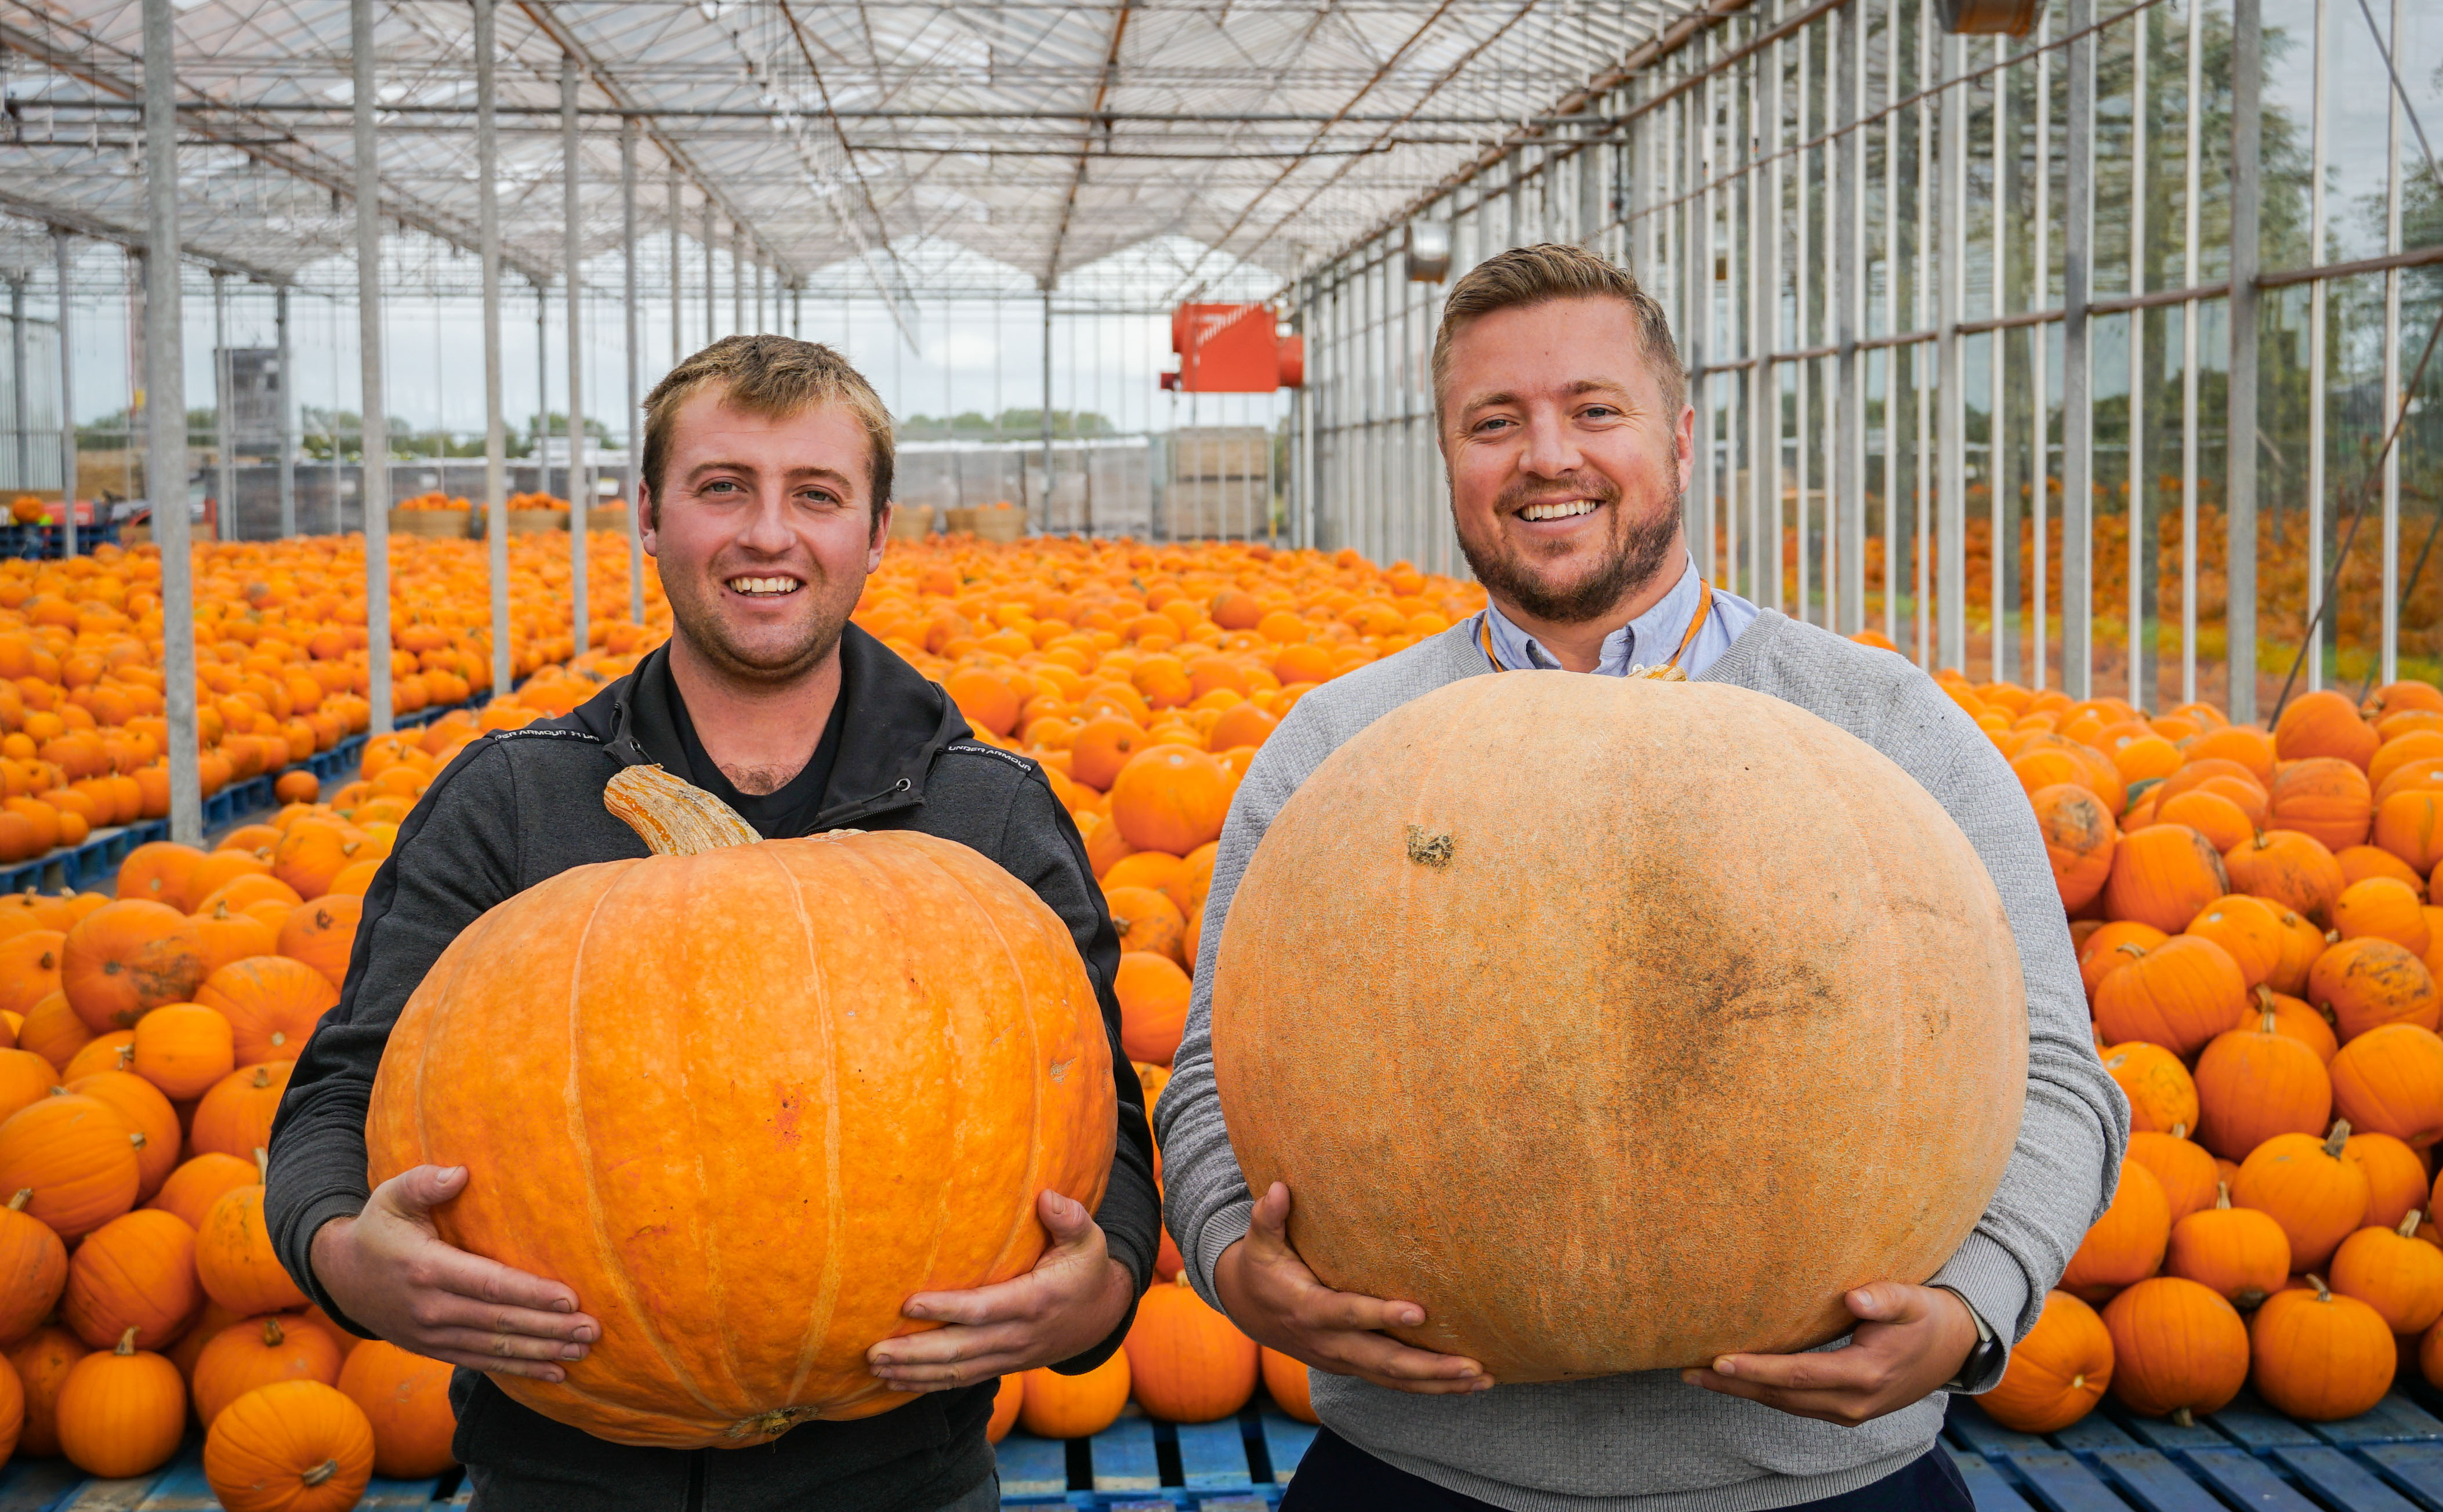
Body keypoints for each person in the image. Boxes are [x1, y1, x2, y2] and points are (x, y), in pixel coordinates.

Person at [1155, 244, 2123, 1511]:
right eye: (1495, 421)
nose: (1547, 455)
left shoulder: (1881, 724)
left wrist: (1973, 1301)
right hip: (1429, 1472)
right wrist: (1232, 1257)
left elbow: (2055, 1068)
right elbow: (1215, 1076)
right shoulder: (1343, 746)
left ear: (1676, 435)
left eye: (1593, 410)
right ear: (1450, 455)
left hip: (1821, 1481)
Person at [267, 335, 1159, 1511]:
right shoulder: (512, 801)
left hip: (901, 1477)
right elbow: (339, 1094)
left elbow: (1107, 1137)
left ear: (877, 531)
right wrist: (345, 1252)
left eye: (817, 495)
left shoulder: (982, 810)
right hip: (565, 1479)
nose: (768, 534)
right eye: (722, 486)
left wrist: (1096, 1297)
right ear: (648, 513)